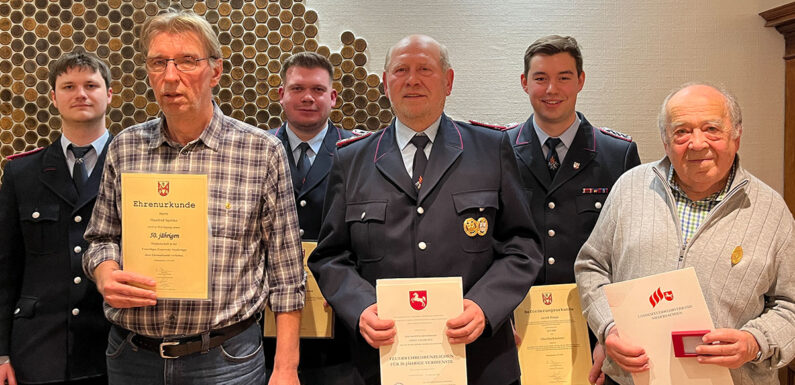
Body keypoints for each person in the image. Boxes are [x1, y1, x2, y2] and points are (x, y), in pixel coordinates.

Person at [81, 9, 304, 385]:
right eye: (158, 62)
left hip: (226, 360)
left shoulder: (261, 151)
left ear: (215, 71)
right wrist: (106, 275)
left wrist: (286, 367)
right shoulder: (125, 149)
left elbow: (286, 270)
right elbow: (100, 240)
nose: (170, 76)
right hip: (133, 357)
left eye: (187, 61)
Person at [308, 34, 543, 385]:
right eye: (401, 70)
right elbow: (330, 257)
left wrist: (484, 305)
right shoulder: (351, 158)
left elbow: (522, 245)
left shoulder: (491, 148)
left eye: (425, 69)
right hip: (382, 362)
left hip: (479, 361)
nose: (412, 79)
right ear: (386, 83)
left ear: (448, 81)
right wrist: (359, 309)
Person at [574, 82, 795, 385]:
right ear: (665, 141)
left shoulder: (771, 210)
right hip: (631, 379)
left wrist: (755, 342)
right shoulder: (629, 188)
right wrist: (608, 328)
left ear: (736, 135)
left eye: (712, 129)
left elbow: (791, 306)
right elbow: (592, 267)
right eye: (682, 131)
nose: (697, 143)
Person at [504, 35, 640, 385]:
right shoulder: (498, 150)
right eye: (540, 78)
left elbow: (630, 256)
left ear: (581, 80)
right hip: (518, 330)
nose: (552, 88)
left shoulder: (617, 154)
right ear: (524, 82)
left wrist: (612, 334)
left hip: (597, 332)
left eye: (564, 77)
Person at [0, 50, 113, 385]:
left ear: (109, 94)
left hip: (112, 345)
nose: (80, 94)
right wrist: (1, 351)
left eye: (91, 85)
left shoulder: (133, 167)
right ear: (53, 97)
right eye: (68, 86)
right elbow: (6, 265)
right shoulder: (22, 172)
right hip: (38, 347)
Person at [264, 51, 359, 385]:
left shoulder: (358, 151)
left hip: (341, 324)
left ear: (332, 97)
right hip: (266, 320)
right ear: (281, 94)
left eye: (318, 90)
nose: (307, 97)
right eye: (297, 88)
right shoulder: (256, 151)